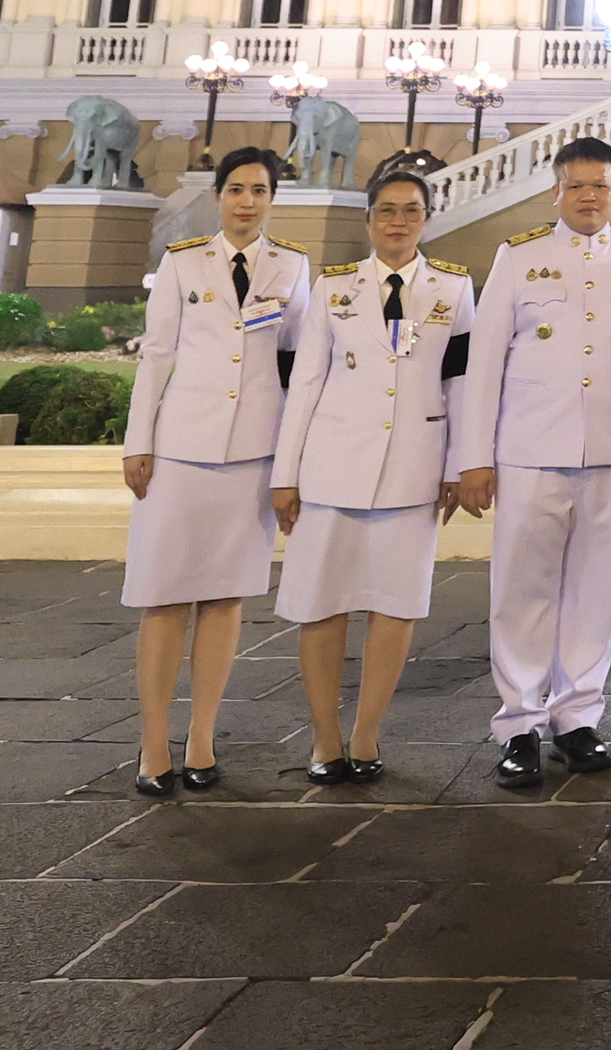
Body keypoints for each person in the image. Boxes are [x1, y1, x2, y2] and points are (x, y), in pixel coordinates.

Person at [455, 136, 611, 789]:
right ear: (556, 191)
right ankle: (519, 723)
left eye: (600, 185)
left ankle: (577, 717)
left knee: (596, 593)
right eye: (576, 185)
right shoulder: (520, 258)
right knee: (523, 591)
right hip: (531, 450)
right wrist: (474, 457)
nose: (588, 196)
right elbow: (484, 363)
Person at [270, 164, 474, 785]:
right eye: (387, 209)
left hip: (414, 468)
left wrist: (458, 465)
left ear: (427, 220)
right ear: (368, 219)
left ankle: (366, 734)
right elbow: (306, 383)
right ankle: (325, 737)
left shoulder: (454, 288)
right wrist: (285, 474)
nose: (398, 221)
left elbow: (461, 384)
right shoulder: (334, 288)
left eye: (411, 210)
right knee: (322, 604)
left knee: (395, 606)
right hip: (333, 467)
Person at [122, 145, 310, 796]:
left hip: (253, 453)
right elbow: (156, 356)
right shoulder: (183, 262)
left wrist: (291, 462)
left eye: (259, 190)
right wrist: (138, 443)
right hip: (179, 450)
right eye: (235, 189)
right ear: (218, 196)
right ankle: (153, 742)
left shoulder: (293, 267)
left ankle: (201, 736)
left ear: (272, 199)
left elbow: (298, 367)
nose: (246, 202)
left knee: (226, 598)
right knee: (165, 595)